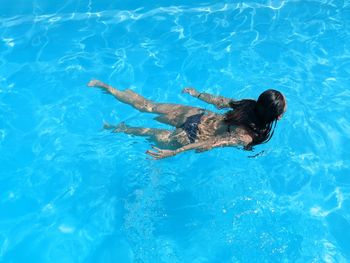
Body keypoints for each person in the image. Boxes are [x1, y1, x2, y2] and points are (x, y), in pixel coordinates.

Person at [87, 80, 287, 159]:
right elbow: (211, 143)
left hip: (197, 115)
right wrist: (173, 153)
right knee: (151, 133)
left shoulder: (248, 104)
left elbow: (220, 101)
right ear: (276, 117)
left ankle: (108, 88)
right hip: (192, 136)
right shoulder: (247, 137)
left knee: (148, 105)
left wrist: (197, 94)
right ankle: (118, 128)